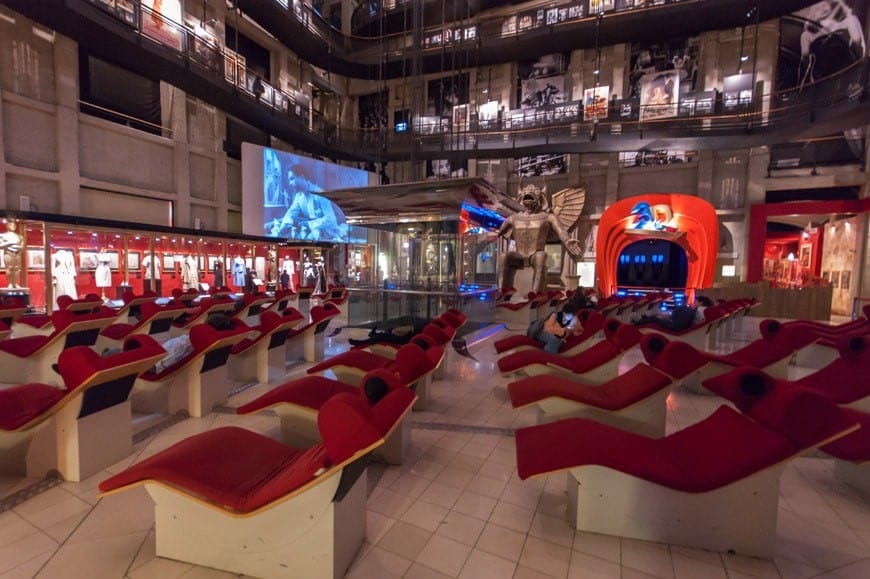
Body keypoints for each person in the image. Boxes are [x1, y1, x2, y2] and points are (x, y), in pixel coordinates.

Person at [498, 188, 581, 293]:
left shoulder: (548, 217)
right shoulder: (512, 218)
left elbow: (561, 231)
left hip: (535, 255)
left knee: (541, 256)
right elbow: (499, 231)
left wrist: (567, 240)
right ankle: (501, 292)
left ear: (540, 197)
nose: (528, 193)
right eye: (524, 192)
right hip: (518, 255)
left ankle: (534, 296)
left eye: (534, 192)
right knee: (503, 256)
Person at [149, 312, 235, 374]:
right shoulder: (205, 343)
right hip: (161, 357)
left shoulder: (185, 344)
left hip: (159, 362)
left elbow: (162, 366)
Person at [0, 220, 23, 288]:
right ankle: (10, 283)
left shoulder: (19, 236)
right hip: (8, 253)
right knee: (9, 268)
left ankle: (15, 283)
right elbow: (1, 245)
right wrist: (10, 243)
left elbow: (22, 246)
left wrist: (19, 247)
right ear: (7, 225)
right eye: (11, 225)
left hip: (17, 253)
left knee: (17, 269)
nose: (13, 226)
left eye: (14, 225)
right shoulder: (3, 235)